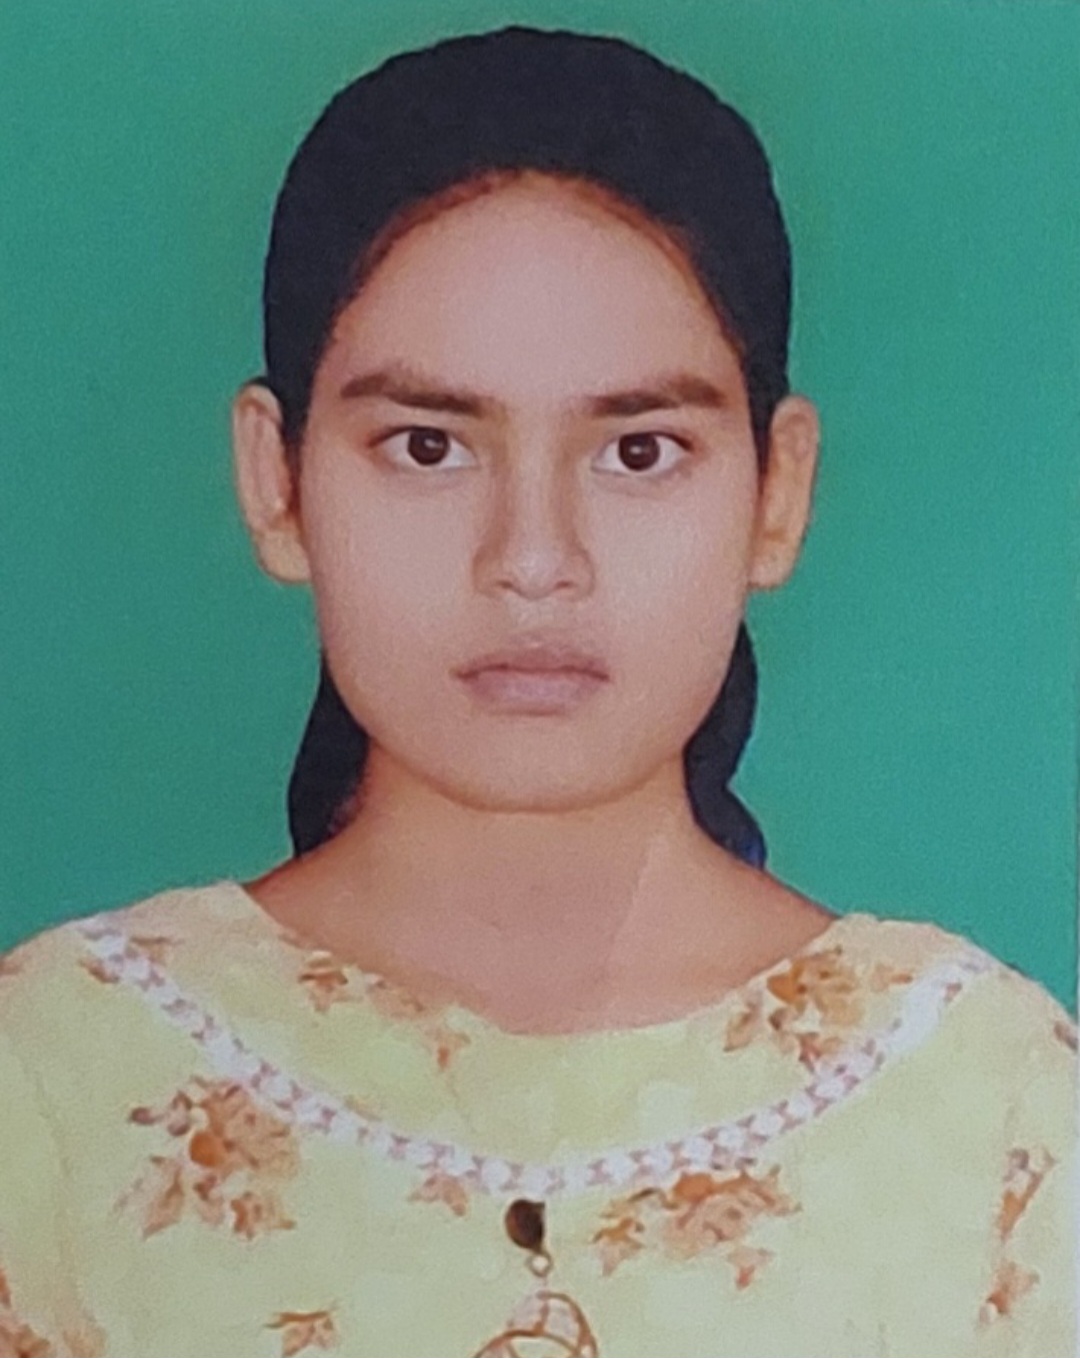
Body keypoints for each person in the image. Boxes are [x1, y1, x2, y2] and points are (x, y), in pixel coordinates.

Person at [0, 26, 1074, 1358]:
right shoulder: (57, 1075)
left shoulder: (988, 1102)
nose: (533, 559)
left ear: (776, 493)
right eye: (428, 445)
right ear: (276, 481)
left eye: (639, 451)